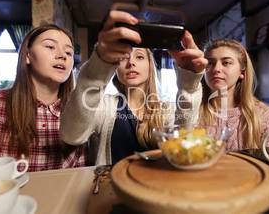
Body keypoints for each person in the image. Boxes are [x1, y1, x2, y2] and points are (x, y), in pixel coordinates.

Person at [60, 10, 207, 165]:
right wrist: (98, 67)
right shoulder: (104, 106)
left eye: (140, 57)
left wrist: (189, 85)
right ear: (115, 68)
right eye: (124, 57)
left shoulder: (167, 111)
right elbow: (71, 135)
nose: (131, 63)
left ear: (150, 66)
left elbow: (183, 144)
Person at [0, 24, 86, 172]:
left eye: (69, 52)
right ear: (28, 56)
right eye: (50, 46)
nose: (62, 55)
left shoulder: (77, 114)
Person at [198, 39, 269, 150]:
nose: (216, 69)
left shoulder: (264, 116)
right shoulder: (193, 112)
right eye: (210, 63)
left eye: (226, 63)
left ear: (242, 72)